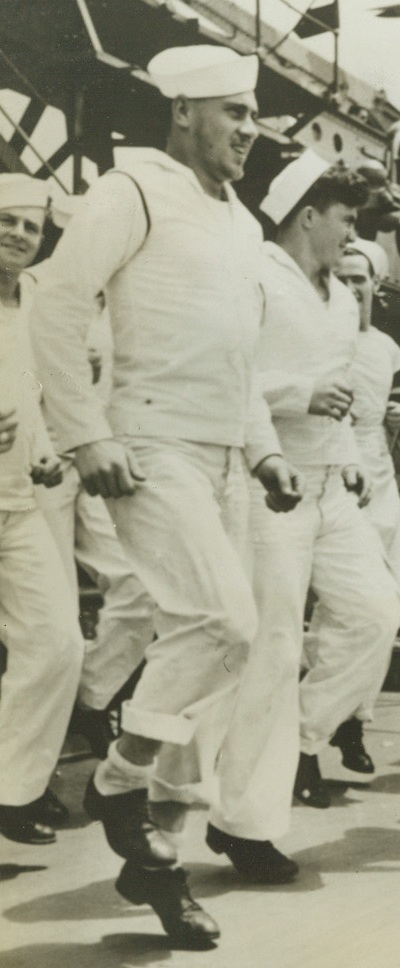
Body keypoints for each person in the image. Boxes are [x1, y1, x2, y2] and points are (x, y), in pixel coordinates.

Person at [30, 46, 302, 945]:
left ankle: (159, 862)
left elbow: (236, 359)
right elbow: (56, 302)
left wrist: (263, 452)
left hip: (224, 455)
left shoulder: (239, 223)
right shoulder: (131, 192)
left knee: (218, 664)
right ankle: (118, 778)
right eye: (234, 113)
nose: (249, 130)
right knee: (222, 622)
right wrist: (85, 434)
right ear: (183, 112)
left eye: (253, 114)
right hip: (146, 446)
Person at [206, 154, 400, 884]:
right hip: (273, 487)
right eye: (346, 218)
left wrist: (350, 450)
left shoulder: (342, 299)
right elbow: (233, 378)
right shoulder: (256, 277)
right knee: (275, 648)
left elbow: (343, 389)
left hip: (331, 486)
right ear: (307, 215)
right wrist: (299, 394)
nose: (352, 232)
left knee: (378, 613)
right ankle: (244, 823)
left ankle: (299, 738)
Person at [30, 196, 156, 760]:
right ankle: (33, 759)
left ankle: (91, 700)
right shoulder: (32, 289)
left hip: (100, 462)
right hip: (42, 468)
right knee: (46, 618)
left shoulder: (119, 300)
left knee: (139, 585)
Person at [319, 237, 400, 774]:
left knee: (394, 604)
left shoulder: (385, 349)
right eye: (343, 277)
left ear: (376, 287)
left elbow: (384, 432)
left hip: (380, 477)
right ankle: (329, 722)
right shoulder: (322, 335)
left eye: (360, 279)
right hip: (337, 474)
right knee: (350, 610)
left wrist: (393, 424)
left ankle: (356, 716)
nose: (351, 288)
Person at [0, 173, 80, 847]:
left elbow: (31, 392)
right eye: (7, 220)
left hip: (17, 503)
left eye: (31, 226)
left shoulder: (30, 302)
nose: (19, 234)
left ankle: (12, 790)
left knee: (57, 643)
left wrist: (47, 448)